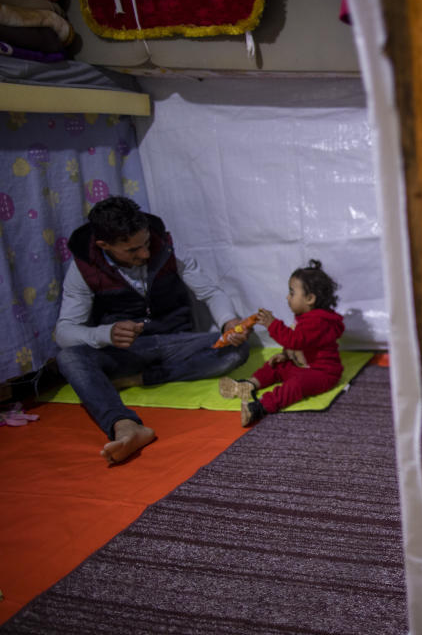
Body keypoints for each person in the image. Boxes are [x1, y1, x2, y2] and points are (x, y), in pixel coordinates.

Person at [55, 196, 252, 465]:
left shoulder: (166, 245)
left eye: (146, 243)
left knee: (237, 348)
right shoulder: (84, 266)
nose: (145, 254)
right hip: (126, 352)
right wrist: (104, 333)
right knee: (68, 358)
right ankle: (125, 425)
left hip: (174, 341)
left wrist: (229, 322)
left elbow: (211, 292)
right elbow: (64, 332)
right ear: (104, 246)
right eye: (133, 250)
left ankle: (139, 379)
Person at [218, 259, 345, 427]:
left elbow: (294, 339)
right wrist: (285, 355)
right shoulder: (306, 318)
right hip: (301, 365)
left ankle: (261, 406)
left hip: (322, 373)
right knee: (275, 365)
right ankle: (250, 384)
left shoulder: (318, 321)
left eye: (292, 293)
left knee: (296, 385)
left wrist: (272, 324)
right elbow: (300, 343)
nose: (287, 297)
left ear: (310, 299)